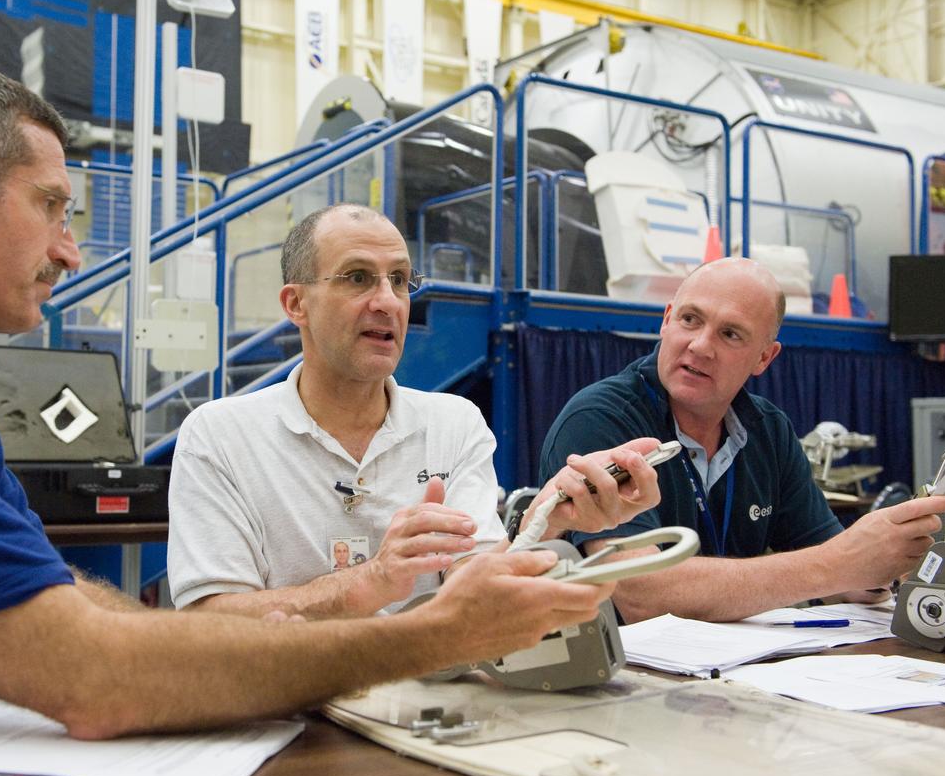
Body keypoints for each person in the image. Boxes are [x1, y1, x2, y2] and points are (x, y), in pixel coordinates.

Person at [0, 59, 623, 776]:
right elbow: (92, 673)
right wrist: (435, 632)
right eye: (53, 206)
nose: (70, 249)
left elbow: (61, 596)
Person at [166, 203, 661, 617]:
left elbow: (470, 585)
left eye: (400, 280)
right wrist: (372, 581)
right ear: (296, 304)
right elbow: (210, 619)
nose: (388, 302)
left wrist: (544, 520)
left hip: (428, 690)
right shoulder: (220, 435)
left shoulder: (453, 423)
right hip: (290, 696)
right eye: (358, 278)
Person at [539, 257, 945, 624]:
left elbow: (838, 570)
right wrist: (838, 563)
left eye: (731, 334)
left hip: (734, 668)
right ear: (666, 320)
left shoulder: (767, 429)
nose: (700, 346)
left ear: (764, 358)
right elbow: (639, 593)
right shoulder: (601, 418)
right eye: (690, 319)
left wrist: (879, 564)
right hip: (624, 673)